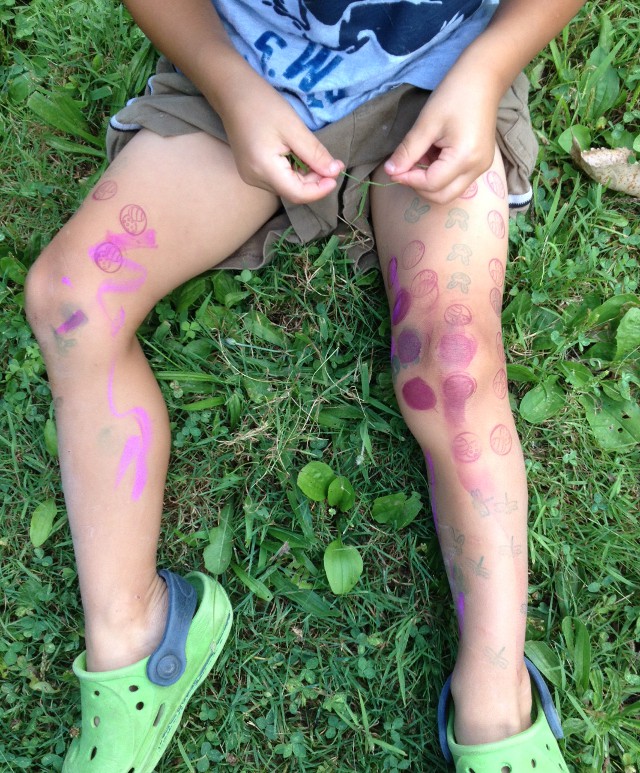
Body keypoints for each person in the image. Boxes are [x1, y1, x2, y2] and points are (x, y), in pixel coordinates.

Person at [25, 0, 586, 770]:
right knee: (71, 304)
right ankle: (134, 637)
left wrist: (489, 70)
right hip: (251, 67)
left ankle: (496, 701)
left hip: (444, 76)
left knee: (454, 366)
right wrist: (228, 86)